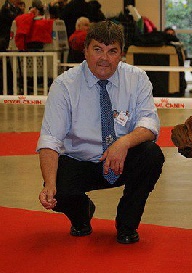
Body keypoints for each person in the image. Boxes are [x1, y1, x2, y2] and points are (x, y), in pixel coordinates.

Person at [37, 20, 165, 244]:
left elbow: (150, 124)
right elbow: (50, 139)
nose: (104, 58)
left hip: (120, 159)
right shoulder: (64, 85)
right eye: (97, 49)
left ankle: (127, 224)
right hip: (79, 160)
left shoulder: (137, 78)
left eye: (112, 51)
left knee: (151, 155)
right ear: (85, 50)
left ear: (121, 54)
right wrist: (49, 184)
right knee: (59, 190)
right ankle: (82, 214)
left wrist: (123, 143)